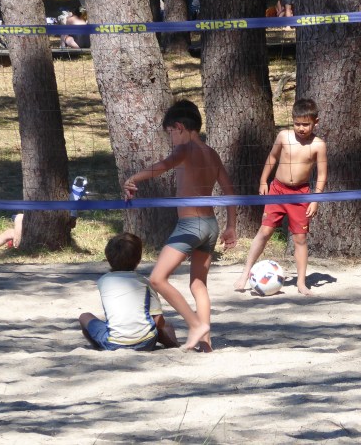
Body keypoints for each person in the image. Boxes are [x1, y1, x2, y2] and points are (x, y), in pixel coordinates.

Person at [122, 99, 237, 352]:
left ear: (179, 127)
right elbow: (229, 192)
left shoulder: (185, 149)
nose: (171, 139)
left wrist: (133, 178)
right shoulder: (212, 153)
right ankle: (206, 344)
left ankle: (196, 326)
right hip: (210, 226)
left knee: (157, 279)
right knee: (198, 285)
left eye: (170, 133)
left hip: (190, 225)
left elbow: (161, 167)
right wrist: (231, 226)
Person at [233, 98, 327, 296]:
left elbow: (321, 175)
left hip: (301, 195)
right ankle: (245, 274)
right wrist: (263, 181)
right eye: (297, 123)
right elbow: (272, 157)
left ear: (316, 122)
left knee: (300, 238)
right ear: (292, 120)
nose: (301, 128)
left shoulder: (318, 145)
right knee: (265, 231)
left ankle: (301, 282)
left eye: (306, 124)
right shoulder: (284, 136)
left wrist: (315, 199)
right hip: (277, 190)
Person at [79, 233, 179, 351]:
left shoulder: (103, 281)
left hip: (113, 343)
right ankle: (174, 344)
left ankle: (98, 346)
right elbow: (158, 320)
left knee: (84, 316)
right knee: (167, 326)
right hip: (146, 342)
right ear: (139, 259)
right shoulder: (145, 283)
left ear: (108, 258)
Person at [0, 176, 87, 255]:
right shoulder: (66, 200)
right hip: (41, 234)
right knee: (11, 230)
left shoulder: (69, 202)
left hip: (48, 237)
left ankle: (15, 247)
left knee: (19, 218)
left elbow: (72, 224)